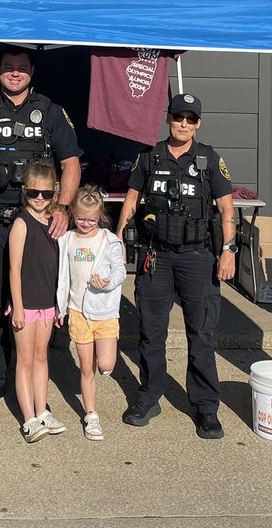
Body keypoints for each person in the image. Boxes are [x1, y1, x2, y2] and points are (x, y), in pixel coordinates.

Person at [0, 46, 82, 412]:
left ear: (32, 71)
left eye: (21, 68)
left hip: (38, 225)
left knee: (36, 306)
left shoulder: (51, 112)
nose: (14, 73)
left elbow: (70, 162)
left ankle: (32, 385)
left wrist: (64, 208)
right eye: (8, 67)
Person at [115, 93, 237, 440]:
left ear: (198, 123)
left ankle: (205, 407)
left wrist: (228, 250)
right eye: (178, 117)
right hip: (156, 255)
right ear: (168, 118)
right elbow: (132, 201)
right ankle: (149, 396)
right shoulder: (148, 158)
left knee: (201, 332)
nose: (183, 124)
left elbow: (227, 210)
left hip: (197, 257)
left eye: (190, 119)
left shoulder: (209, 159)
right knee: (151, 331)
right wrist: (119, 239)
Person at [55, 184, 126, 441]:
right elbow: (63, 277)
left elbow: (120, 270)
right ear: (73, 213)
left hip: (105, 312)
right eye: (81, 218)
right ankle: (91, 415)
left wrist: (107, 281)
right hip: (78, 312)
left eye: (92, 219)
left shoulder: (109, 240)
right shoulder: (67, 239)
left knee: (105, 364)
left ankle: (102, 355)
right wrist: (60, 308)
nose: (86, 224)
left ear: (100, 217)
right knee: (86, 368)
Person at [6, 160, 65, 442]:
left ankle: (43, 411)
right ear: (24, 192)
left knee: (42, 358)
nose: (39, 199)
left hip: (47, 305)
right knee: (25, 360)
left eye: (46, 193)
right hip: (25, 305)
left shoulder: (55, 223)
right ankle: (29, 419)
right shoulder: (21, 223)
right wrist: (17, 306)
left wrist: (58, 305)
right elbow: (14, 269)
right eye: (33, 193)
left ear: (54, 192)